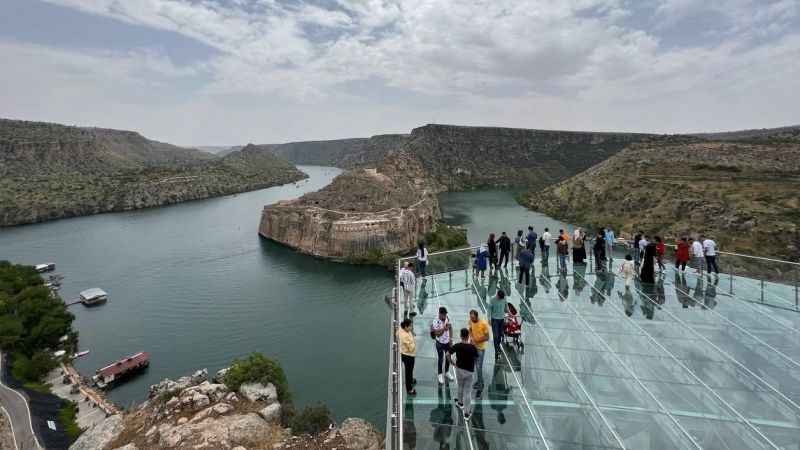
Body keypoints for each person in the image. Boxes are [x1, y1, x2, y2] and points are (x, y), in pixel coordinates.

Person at [449, 328, 479, 420]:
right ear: (468, 336)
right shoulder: (472, 347)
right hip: (469, 371)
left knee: (460, 386)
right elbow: (476, 357)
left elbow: (447, 354)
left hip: (459, 370)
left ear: (461, 336)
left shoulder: (457, 346)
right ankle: (466, 413)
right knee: (467, 392)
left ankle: (460, 403)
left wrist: (451, 362)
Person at [430, 307, 454, 384]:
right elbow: (437, 334)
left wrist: (450, 339)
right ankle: (440, 374)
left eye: (446, 314)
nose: (445, 315)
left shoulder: (447, 318)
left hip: (447, 343)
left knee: (448, 357)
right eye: (443, 314)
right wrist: (444, 329)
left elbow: (450, 328)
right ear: (440, 314)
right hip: (439, 343)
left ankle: (447, 372)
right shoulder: (435, 321)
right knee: (441, 359)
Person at [468, 310, 490, 391]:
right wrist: (471, 337)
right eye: (470, 317)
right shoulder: (470, 321)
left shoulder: (483, 324)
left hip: (480, 348)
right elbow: (470, 329)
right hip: (473, 347)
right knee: (474, 365)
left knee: (478, 367)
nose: (471, 319)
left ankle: (480, 386)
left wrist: (476, 340)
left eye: (473, 317)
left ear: (477, 316)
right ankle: (480, 381)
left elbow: (487, 337)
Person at [398, 319, 417, 395]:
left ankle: (411, 379)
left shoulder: (401, 330)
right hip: (408, 356)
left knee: (410, 370)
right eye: (410, 326)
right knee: (408, 372)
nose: (411, 327)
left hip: (408, 354)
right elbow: (411, 348)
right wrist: (413, 342)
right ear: (406, 326)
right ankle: (409, 389)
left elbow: (396, 333)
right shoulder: (404, 336)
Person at [489, 290, 508, 360]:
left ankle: (498, 346)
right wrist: (489, 319)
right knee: (495, 336)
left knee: (500, 335)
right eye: (500, 298)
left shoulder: (504, 298)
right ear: (497, 295)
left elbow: (506, 307)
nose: (501, 299)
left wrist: (510, 313)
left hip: (502, 319)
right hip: (494, 320)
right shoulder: (492, 299)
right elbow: (489, 310)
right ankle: (497, 350)